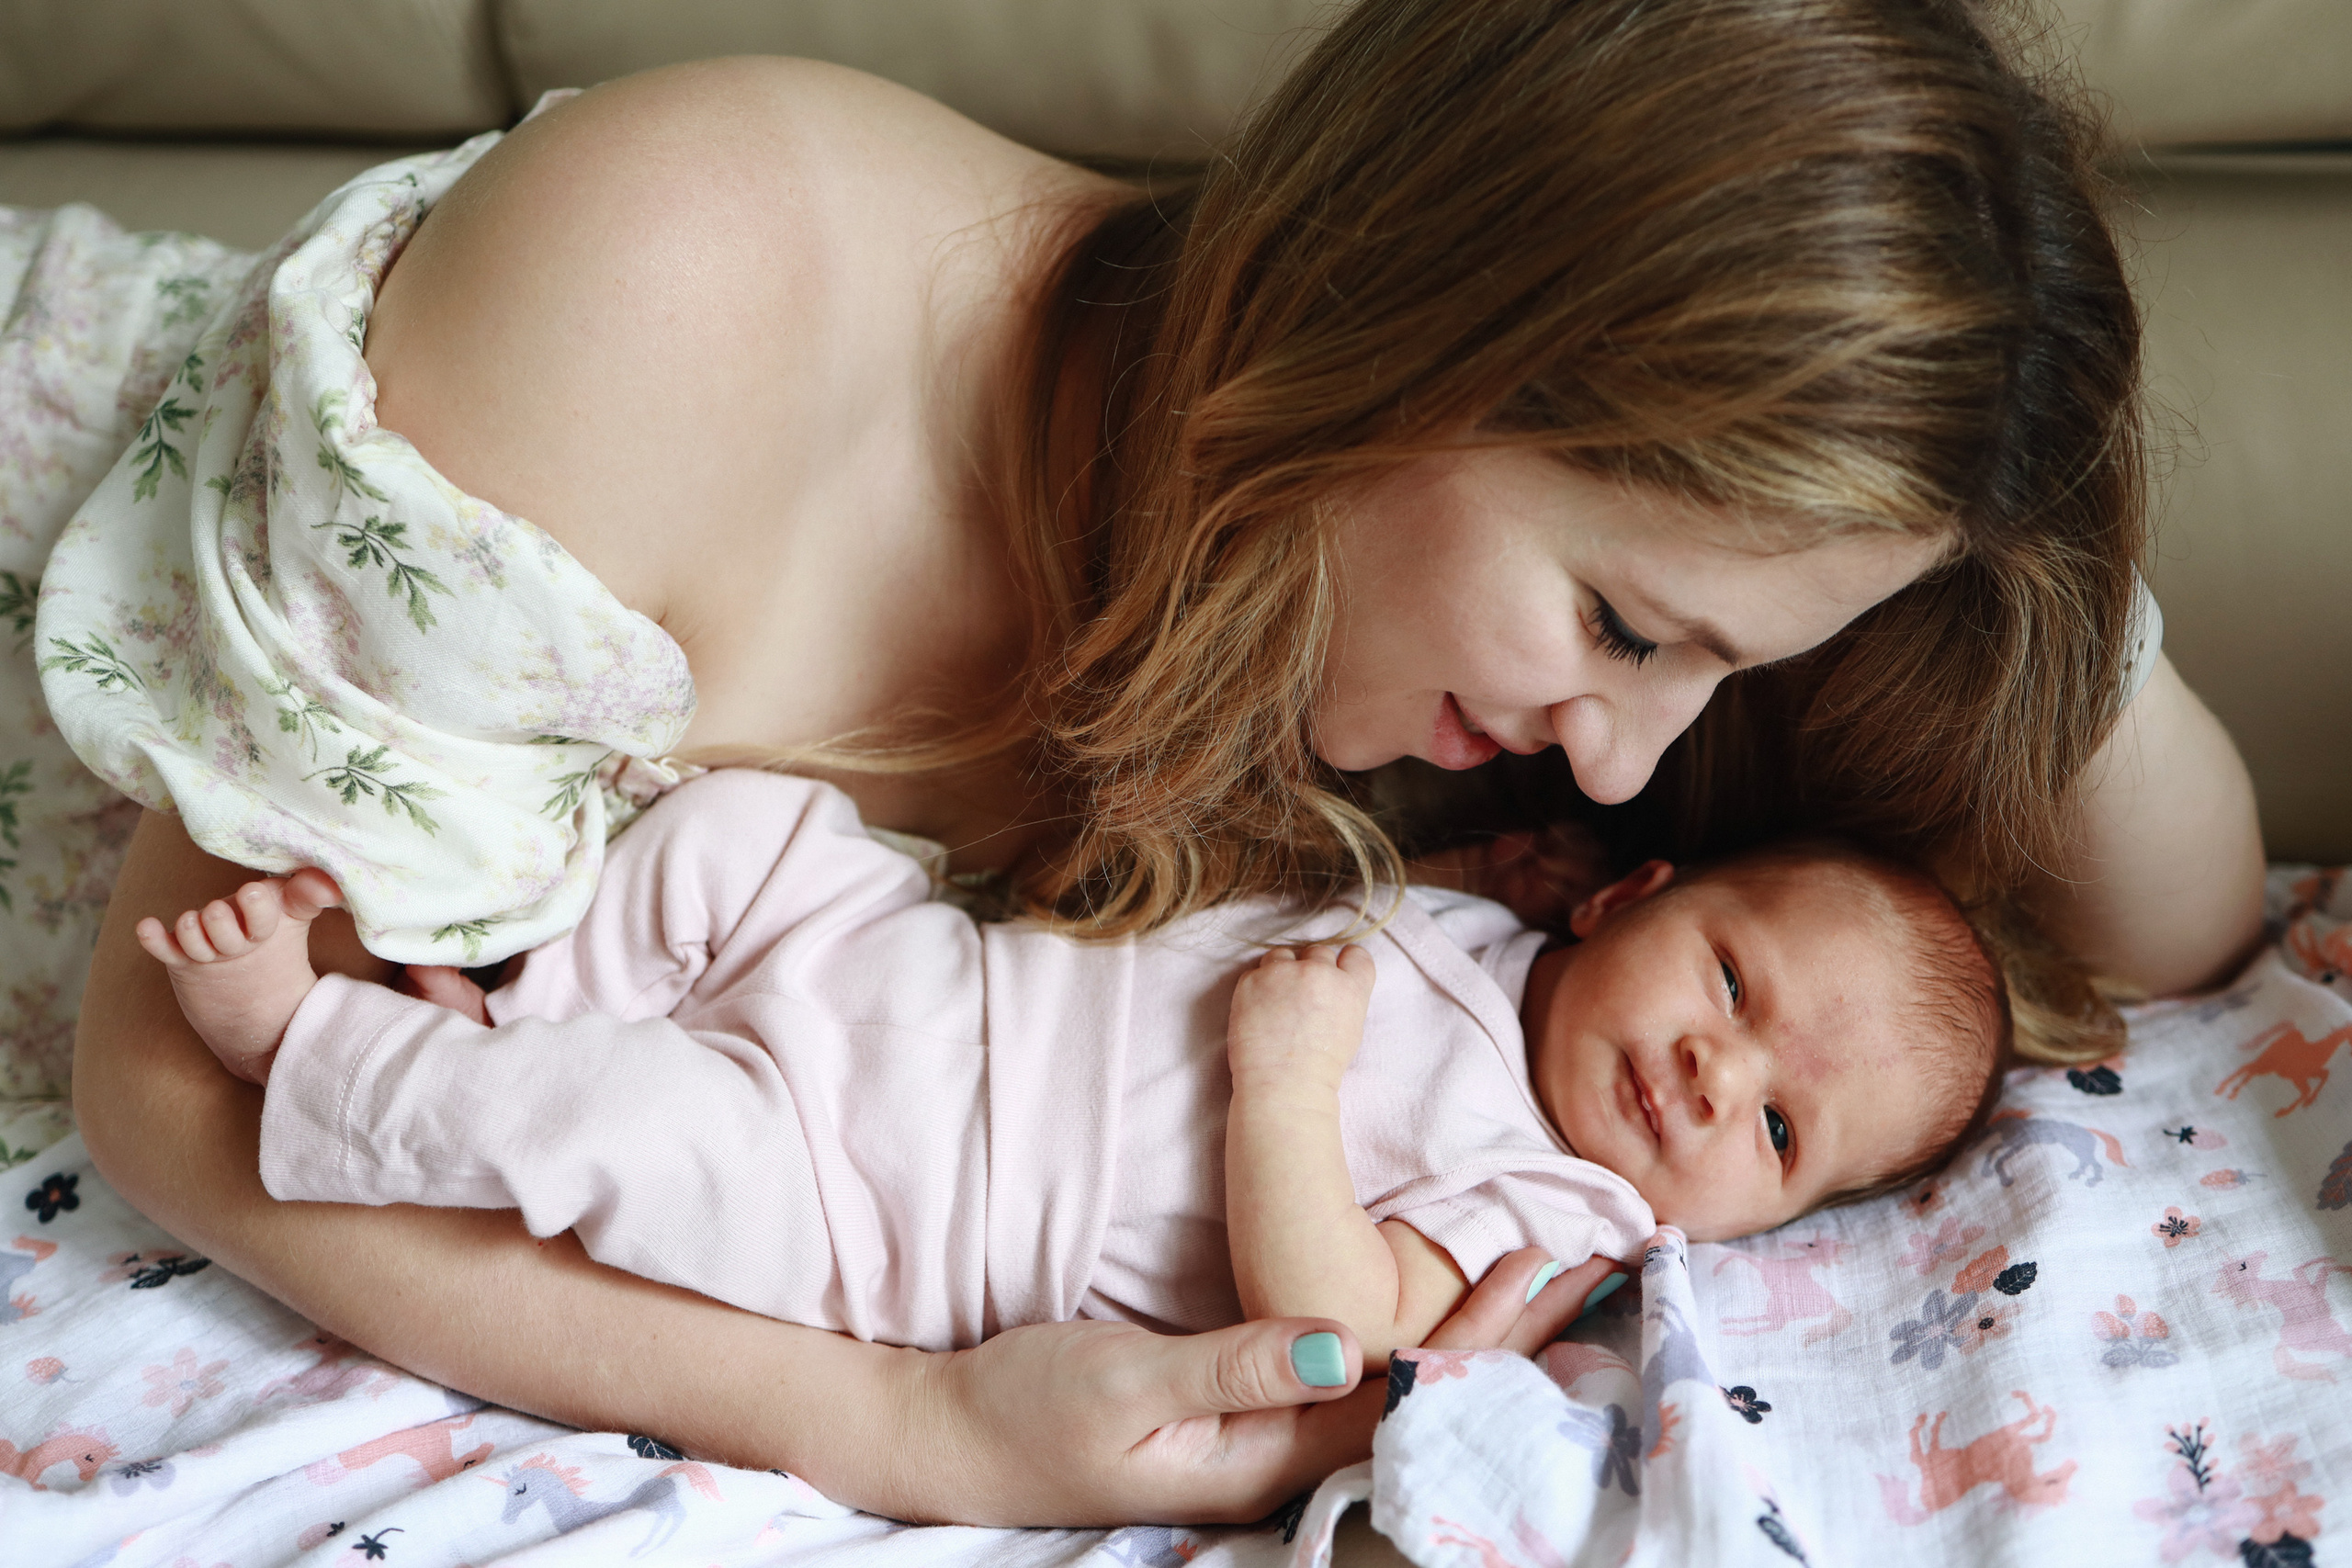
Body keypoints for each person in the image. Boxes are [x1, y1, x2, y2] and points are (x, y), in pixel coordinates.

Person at [34, 0, 2263, 1527]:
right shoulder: (689, 273)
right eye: (1614, 624)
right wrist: (906, 1423)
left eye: (1719, 663)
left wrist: (1988, 475)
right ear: (1399, 314)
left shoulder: (1583, 677)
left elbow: (2169, 912)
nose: (1627, 753)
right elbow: (166, 1080)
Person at [136, 769, 2002, 1369]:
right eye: (1732, 979)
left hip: (884, 1214)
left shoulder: (1560, 1204)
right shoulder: (1499, 929)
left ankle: (315, 1046)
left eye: (1774, 1122)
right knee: (750, 824)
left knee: (631, 1138)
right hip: (915, 978)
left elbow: (1336, 1319)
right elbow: (1345, 903)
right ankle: (528, 991)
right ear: (1627, 892)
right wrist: (1455, 879)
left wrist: (1286, 1086)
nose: (1704, 1069)